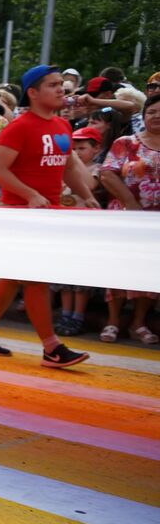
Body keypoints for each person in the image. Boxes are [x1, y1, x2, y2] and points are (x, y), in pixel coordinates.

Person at [0, 65, 96, 368]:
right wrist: (29, 195)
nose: (61, 89)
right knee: (34, 279)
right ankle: (52, 348)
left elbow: (65, 167)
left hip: (46, 213)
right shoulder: (19, 127)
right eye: (53, 85)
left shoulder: (63, 127)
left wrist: (87, 196)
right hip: (19, 215)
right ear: (33, 92)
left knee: (14, 277)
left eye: (61, 84)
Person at [96, 93, 160, 345]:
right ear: (144, 116)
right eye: (152, 111)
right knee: (119, 268)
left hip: (155, 222)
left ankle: (138, 322)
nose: (157, 116)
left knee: (151, 271)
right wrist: (131, 204)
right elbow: (107, 174)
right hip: (125, 217)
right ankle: (113, 320)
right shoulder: (127, 142)